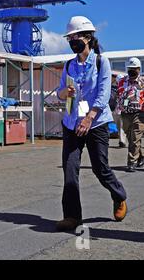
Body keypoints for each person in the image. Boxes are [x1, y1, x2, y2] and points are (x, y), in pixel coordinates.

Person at [56, 16, 127, 231]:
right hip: (71, 123)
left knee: (100, 168)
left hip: (96, 123)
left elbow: (104, 94)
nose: (71, 41)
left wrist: (89, 119)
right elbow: (60, 94)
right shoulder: (69, 65)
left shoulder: (100, 62)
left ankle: (119, 195)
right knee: (70, 170)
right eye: (69, 38)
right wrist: (64, 92)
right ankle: (72, 216)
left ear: (87, 37)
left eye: (74, 37)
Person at [117, 57, 144, 172]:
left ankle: (131, 162)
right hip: (125, 113)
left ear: (139, 69)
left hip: (140, 114)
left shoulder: (143, 82)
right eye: (129, 68)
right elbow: (119, 95)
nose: (131, 71)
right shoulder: (122, 81)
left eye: (134, 69)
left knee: (135, 138)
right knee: (131, 137)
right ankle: (141, 156)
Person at [110, 72, 127, 148]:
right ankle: (122, 140)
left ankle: (122, 141)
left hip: (121, 109)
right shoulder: (113, 88)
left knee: (121, 126)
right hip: (116, 109)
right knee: (119, 126)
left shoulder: (124, 88)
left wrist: (125, 106)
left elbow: (127, 99)